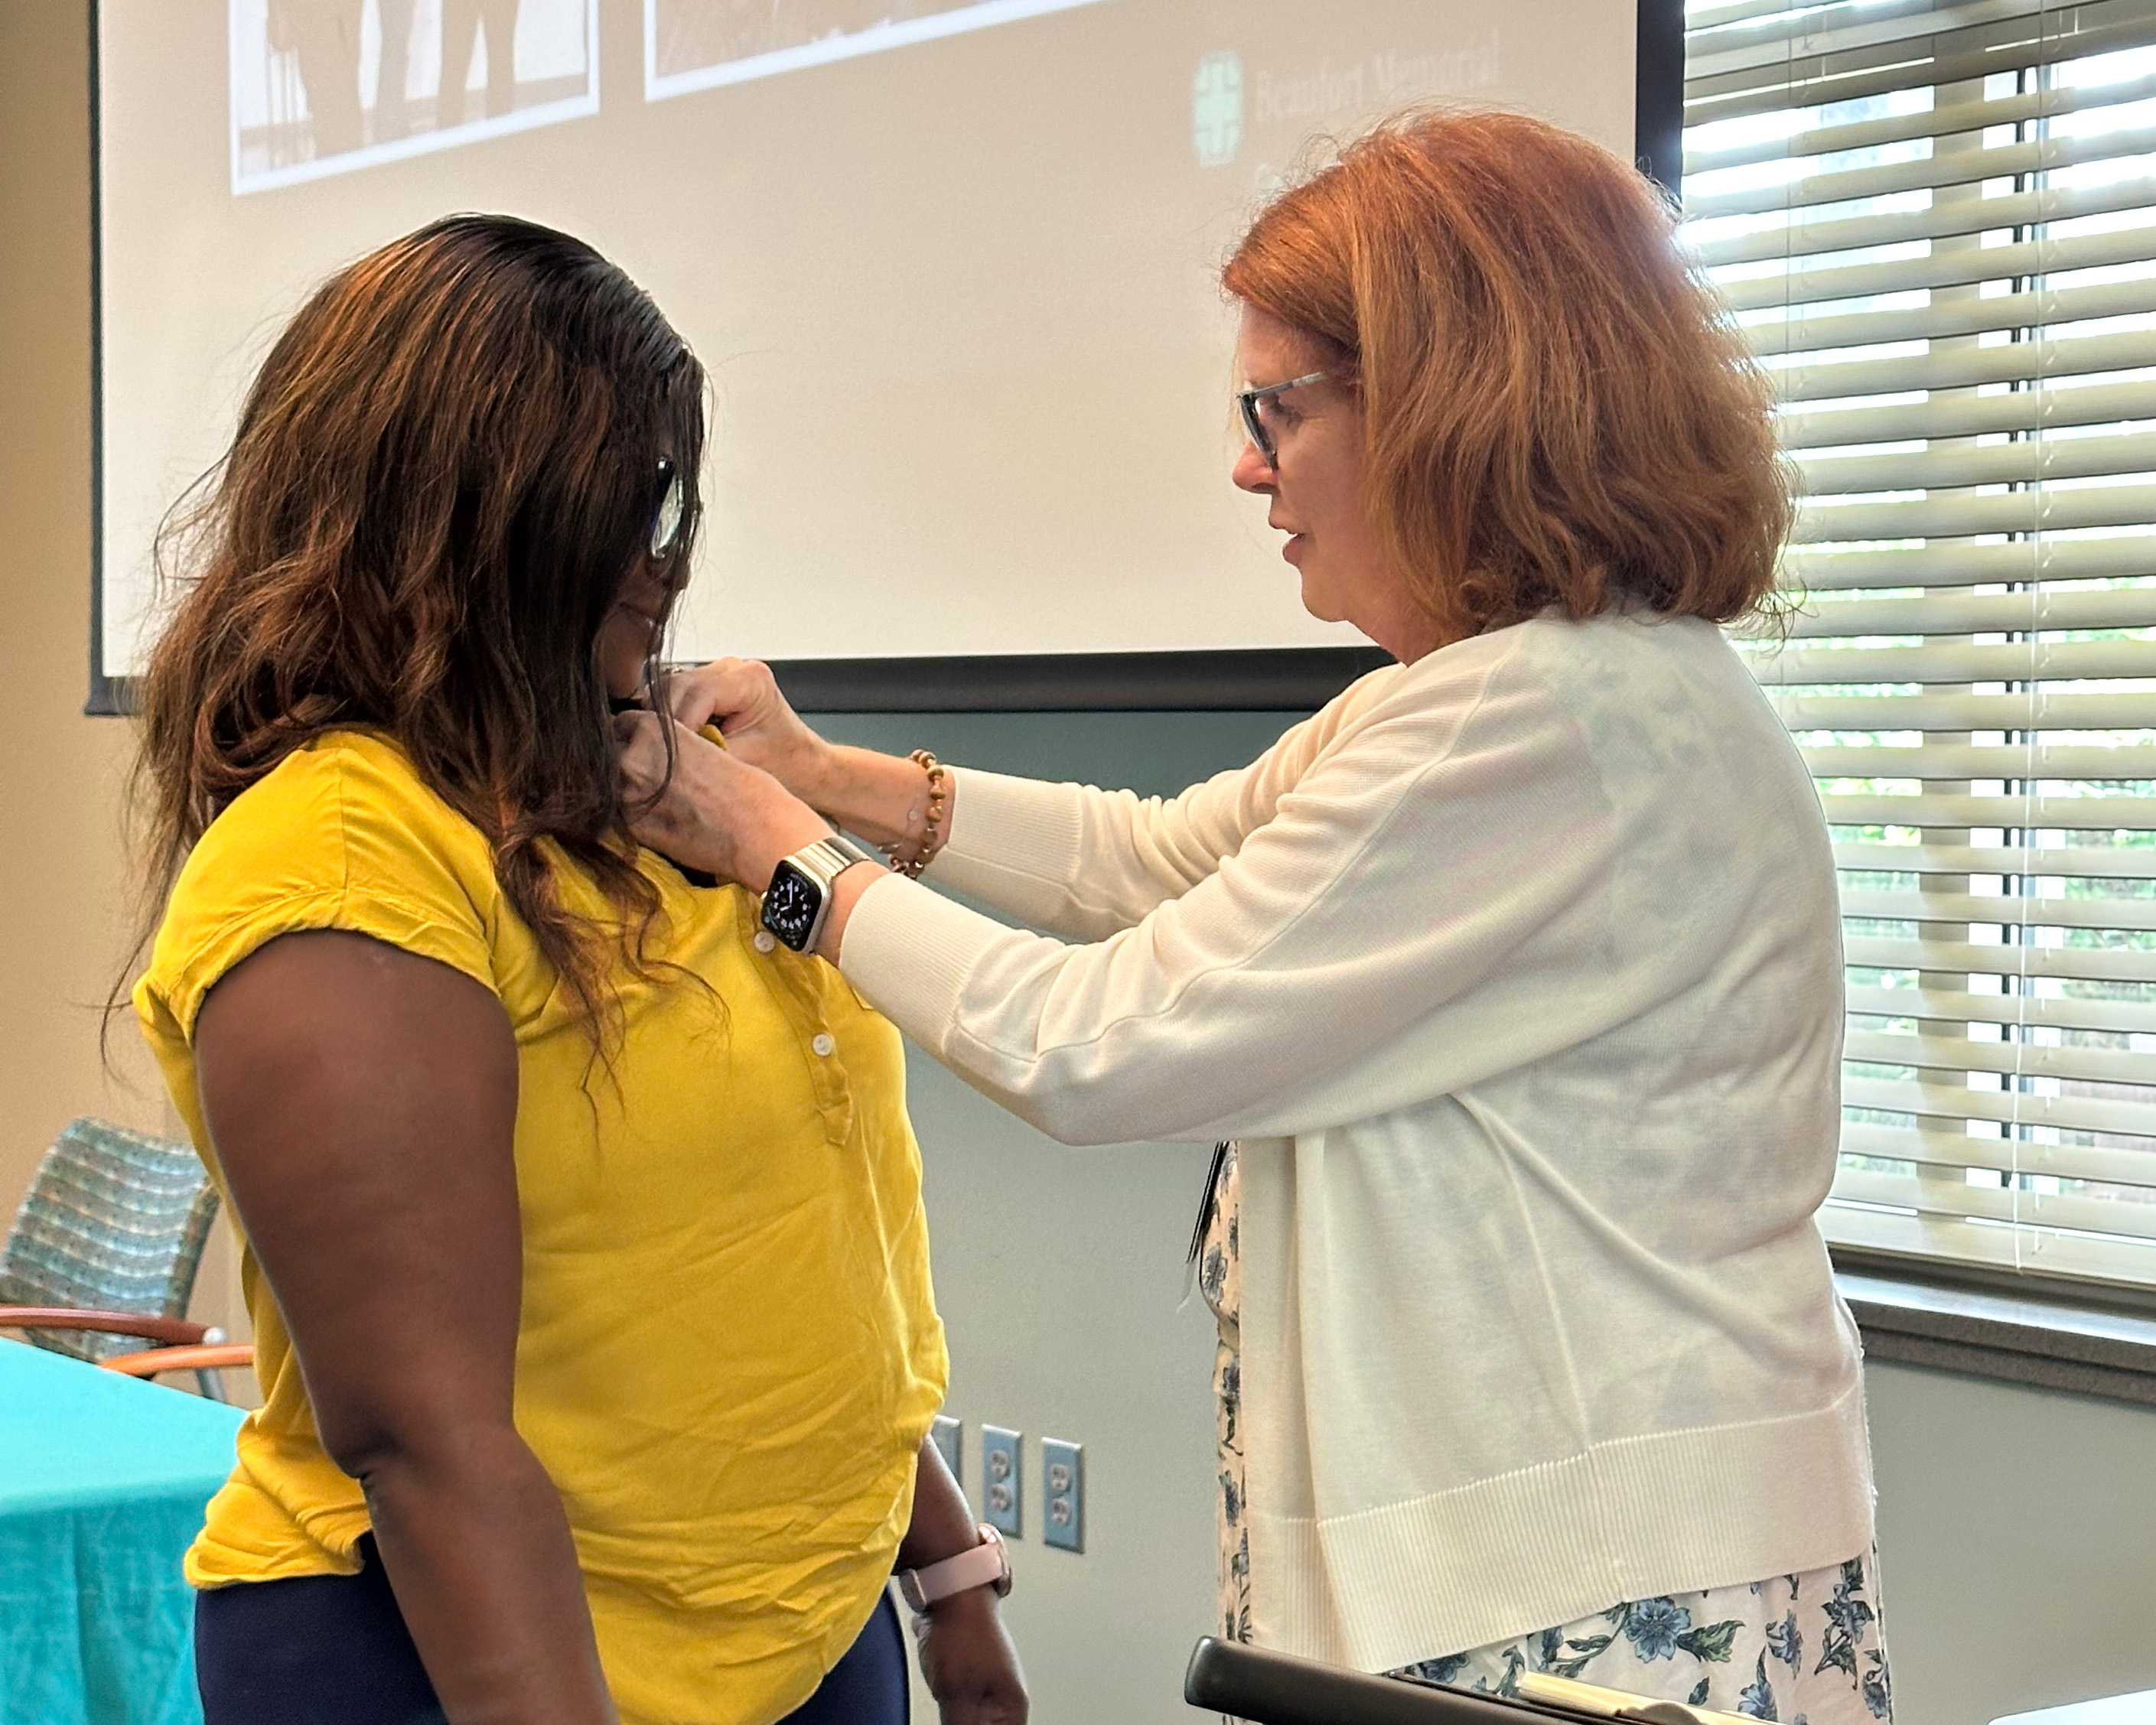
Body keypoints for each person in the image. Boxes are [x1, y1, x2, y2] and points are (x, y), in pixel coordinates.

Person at [615, 110, 1891, 1723]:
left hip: (1583, 1605)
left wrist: (780, 851)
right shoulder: (1490, 695)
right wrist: (833, 780)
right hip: (1553, 1578)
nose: (1243, 463)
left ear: (1452, 405)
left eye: (1273, 410)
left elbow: (1099, 1044)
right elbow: (1158, 863)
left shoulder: (1543, 725)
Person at [128, 214, 1026, 1725]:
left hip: (795, 1631)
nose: (667, 559)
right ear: (490, 513)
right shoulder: (343, 864)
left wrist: (943, 1573)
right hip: (462, 1661)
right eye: (632, 499)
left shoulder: (646, 793)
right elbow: (427, 1446)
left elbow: (782, 1228)